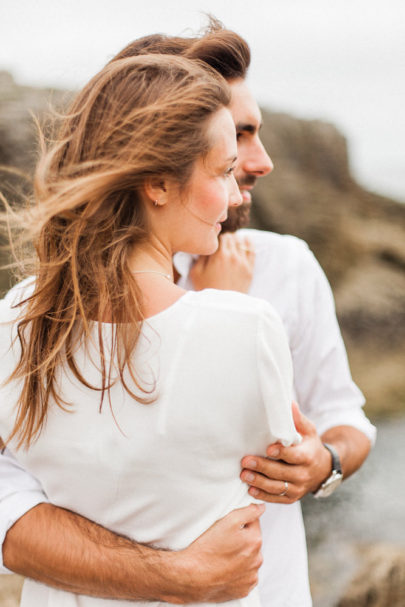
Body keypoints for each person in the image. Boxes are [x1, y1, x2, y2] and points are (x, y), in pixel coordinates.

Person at [0, 21, 376, 607]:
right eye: (237, 142)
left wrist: (323, 462)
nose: (261, 163)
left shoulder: (289, 267)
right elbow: (9, 498)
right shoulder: (34, 313)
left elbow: (343, 416)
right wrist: (175, 576)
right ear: (160, 165)